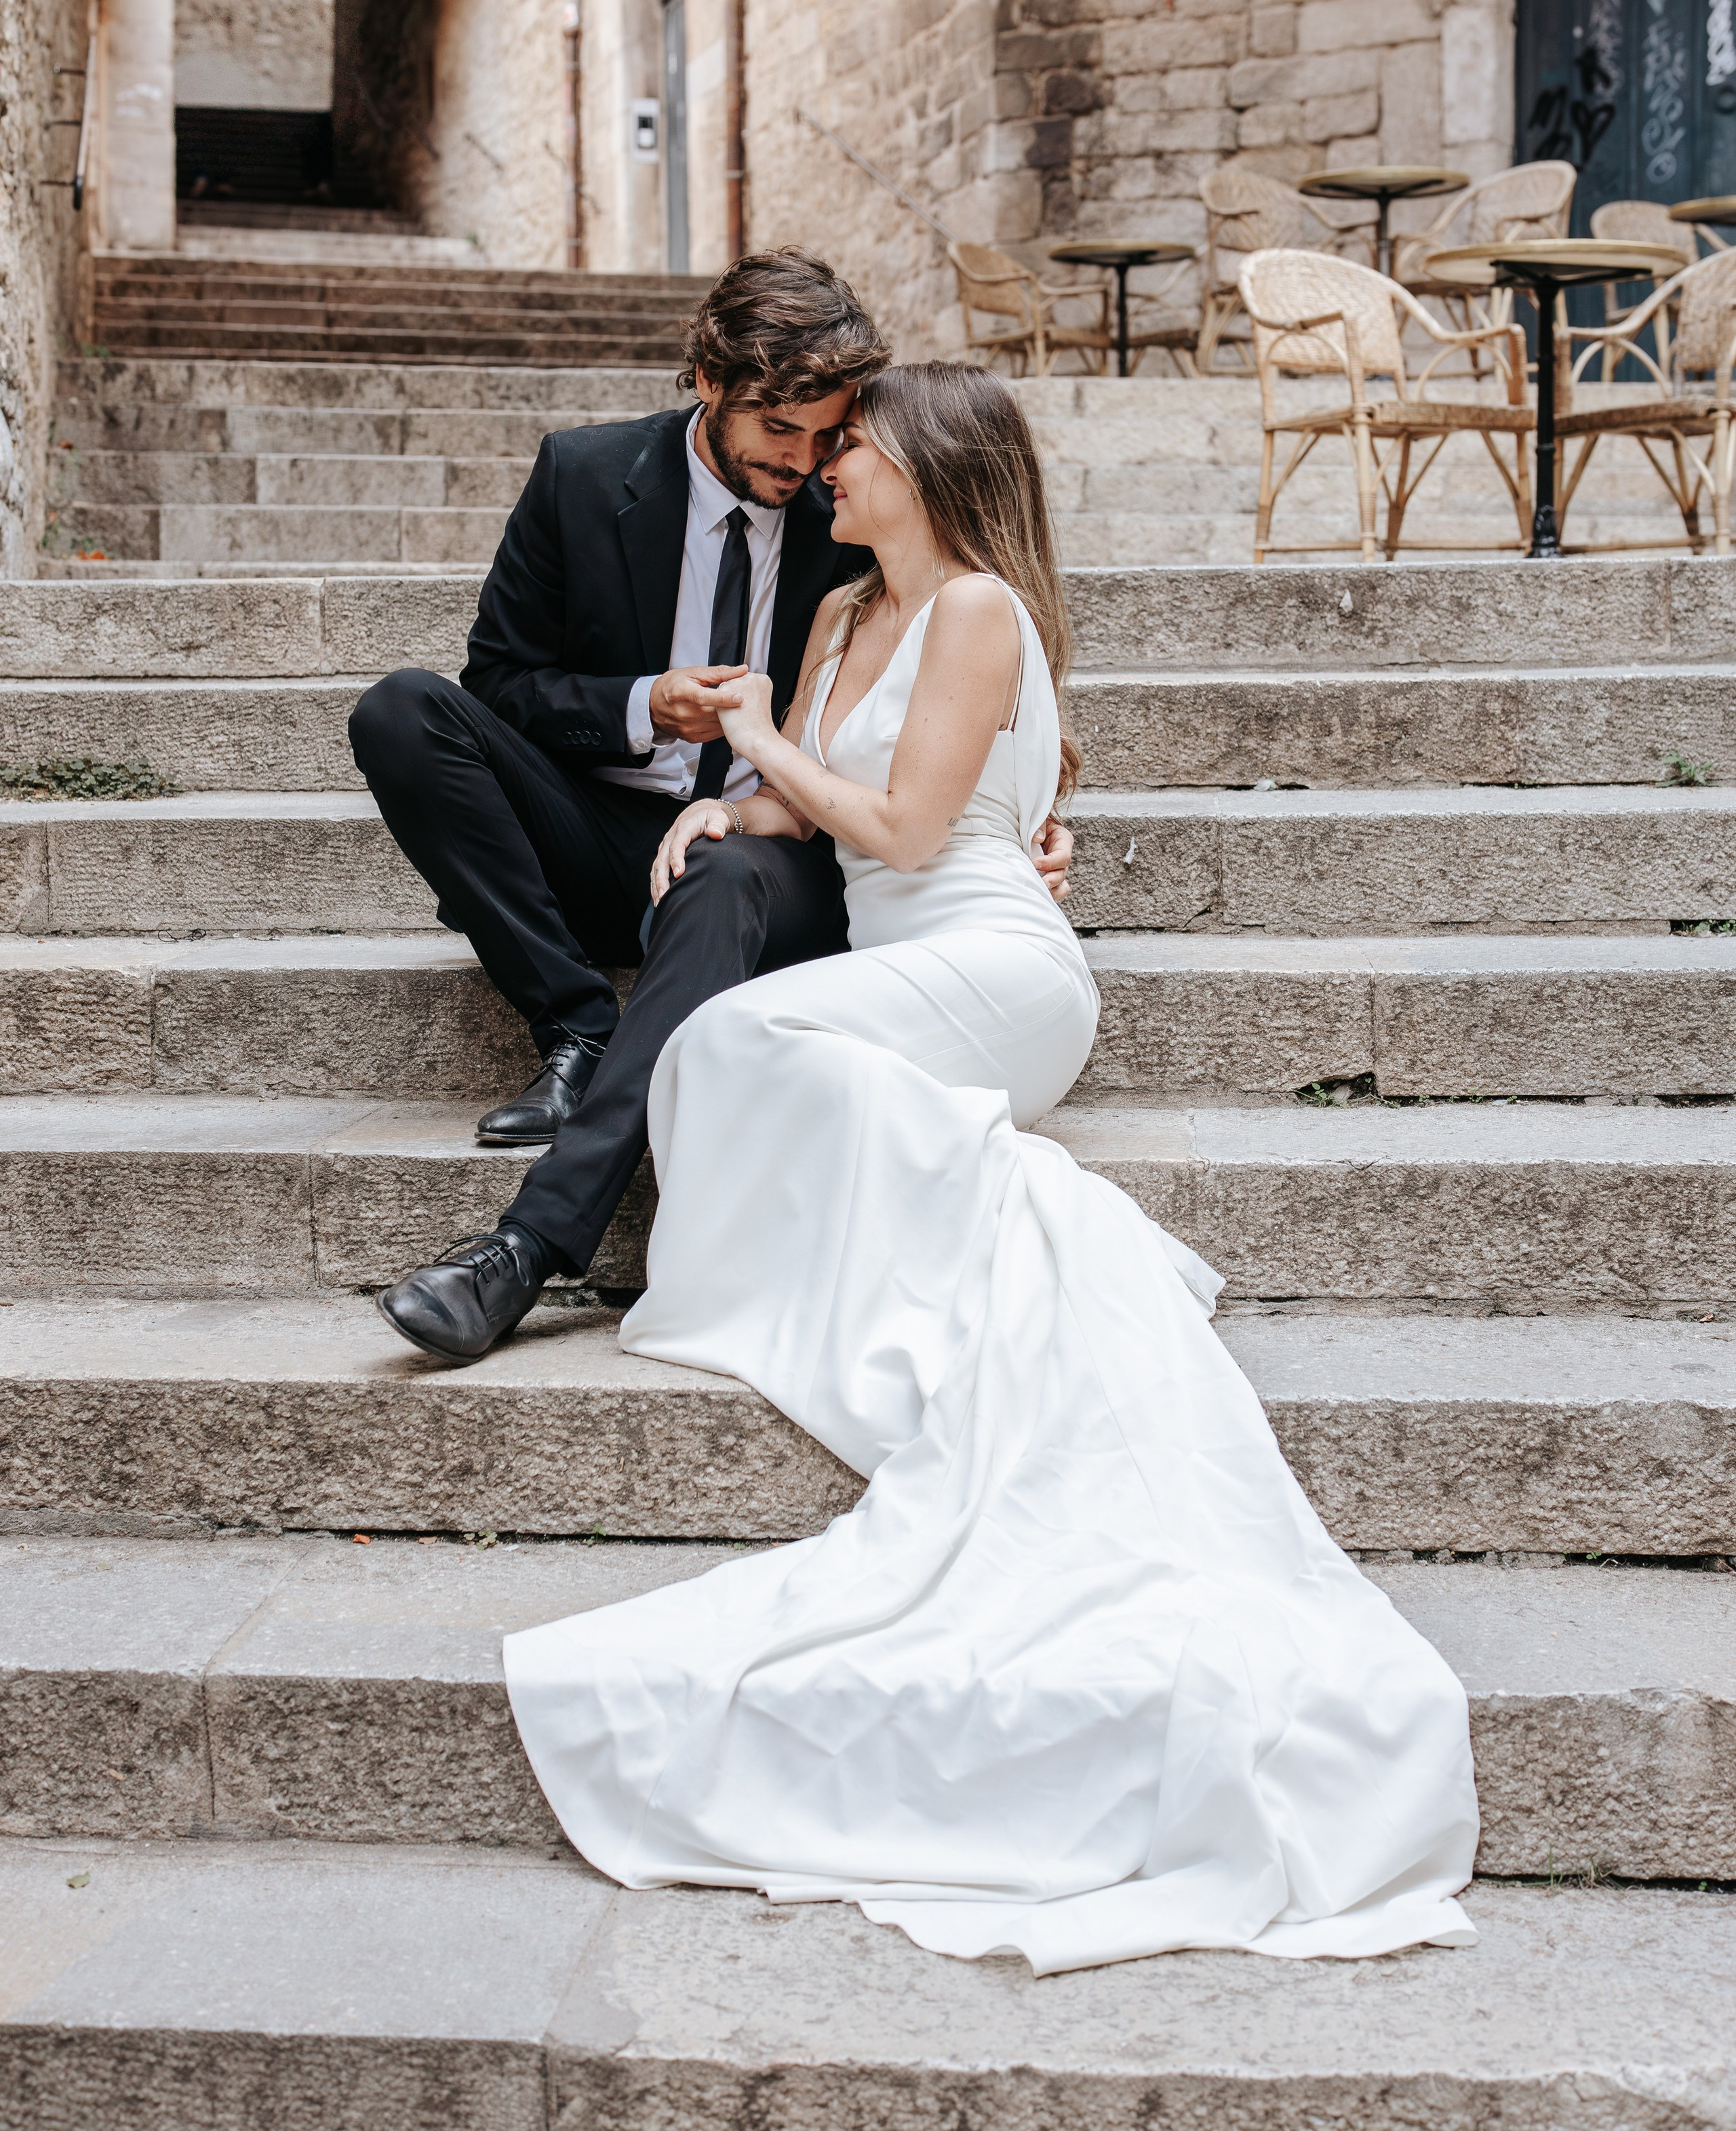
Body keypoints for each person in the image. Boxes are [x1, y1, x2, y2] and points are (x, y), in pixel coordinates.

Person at [502, 361, 1479, 1976]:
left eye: (859, 453)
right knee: (724, 1051)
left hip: (992, 965)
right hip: (891, 957)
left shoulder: (975, 612)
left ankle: (970, 1241)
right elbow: (816, 816)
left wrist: (758, 747)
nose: (829, 474)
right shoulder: (831, 620)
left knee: (740, 1054)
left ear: (931, 470)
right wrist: (730, 813)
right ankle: (926, 1245)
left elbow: (902, 830)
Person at [349, 252, 1077, 1364]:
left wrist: (1020, 818)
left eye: (833, 437)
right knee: (403, 712)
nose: (809, 461)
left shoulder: (859, 561)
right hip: (614, 830)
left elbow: (949, 733)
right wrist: (644, 705)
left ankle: (529, 1246)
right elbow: (497, 682)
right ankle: (580, 1027)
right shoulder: (586, 479)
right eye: (781, 434)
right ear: (706, 381)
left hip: (781, 870)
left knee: (725, 869)